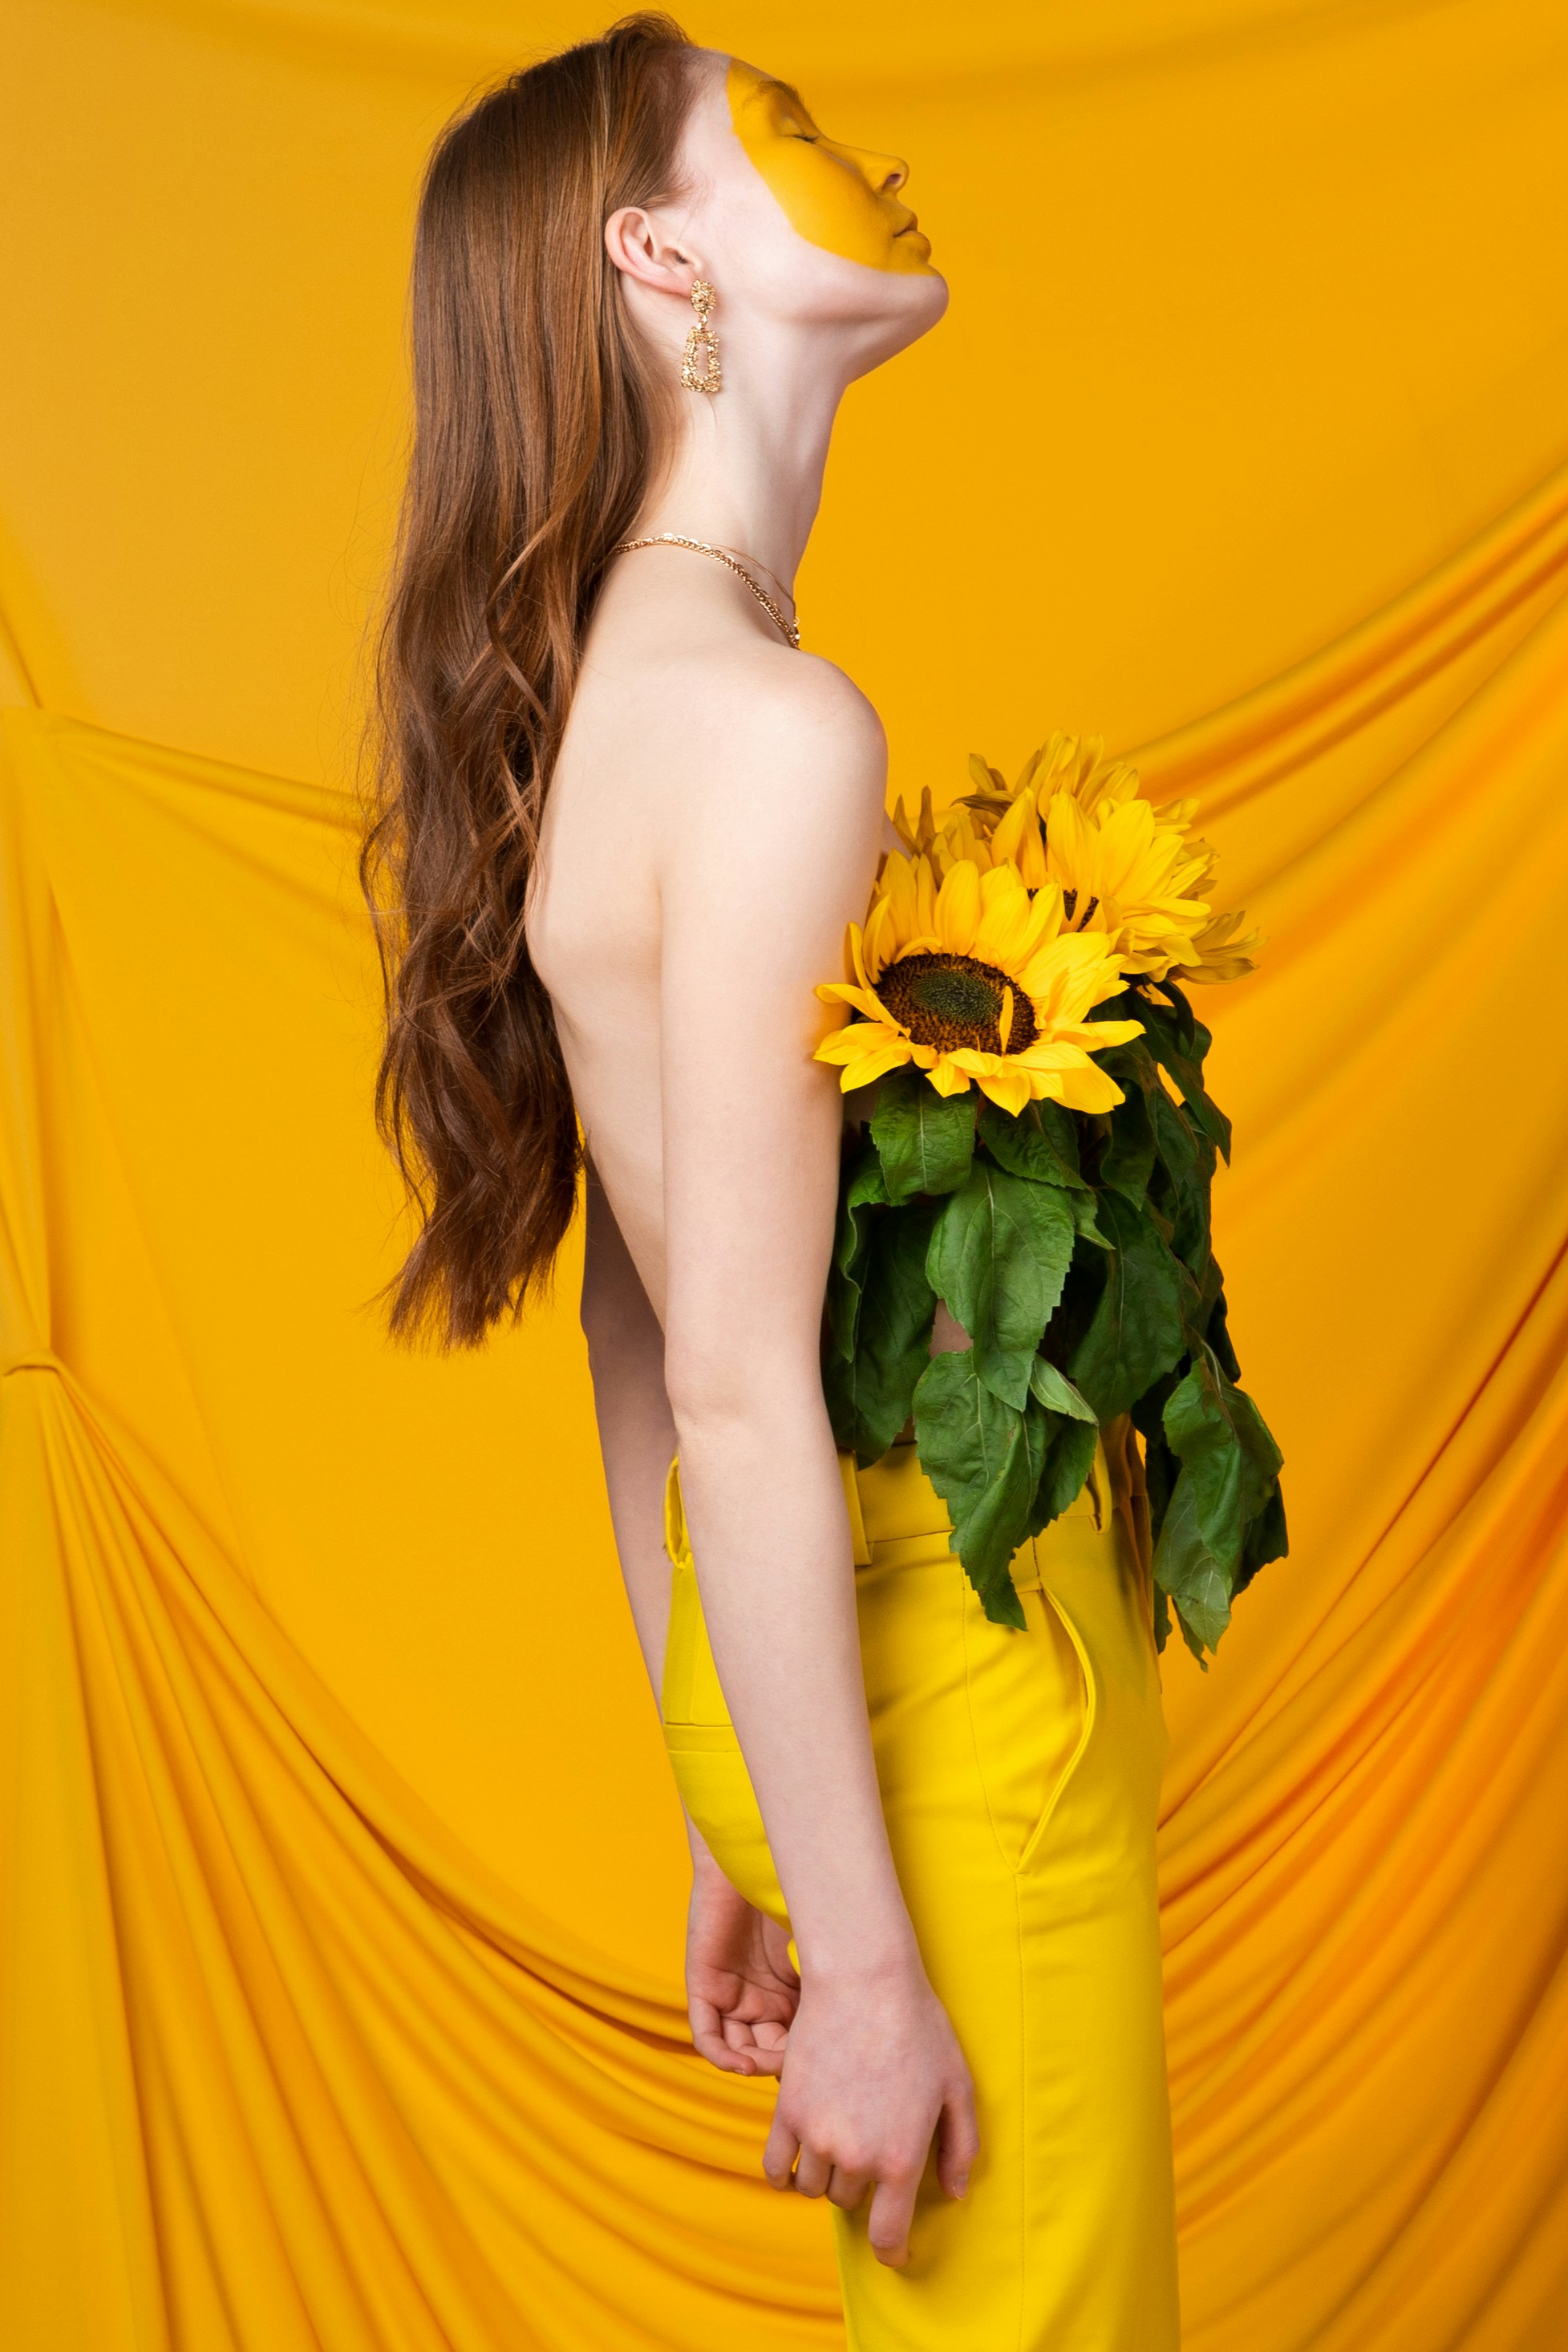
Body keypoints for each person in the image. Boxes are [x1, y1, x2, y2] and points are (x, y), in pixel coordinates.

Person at [366, 15, 1180, 2346]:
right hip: (932, 1714)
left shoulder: (649, 697)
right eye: (785, 129)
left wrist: (726, 1807)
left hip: (836, 1718)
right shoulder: (767, 728)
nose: (869, 146)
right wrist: (854, 1941)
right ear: (659, 258)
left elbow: (642, 1332)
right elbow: (725, 1380)